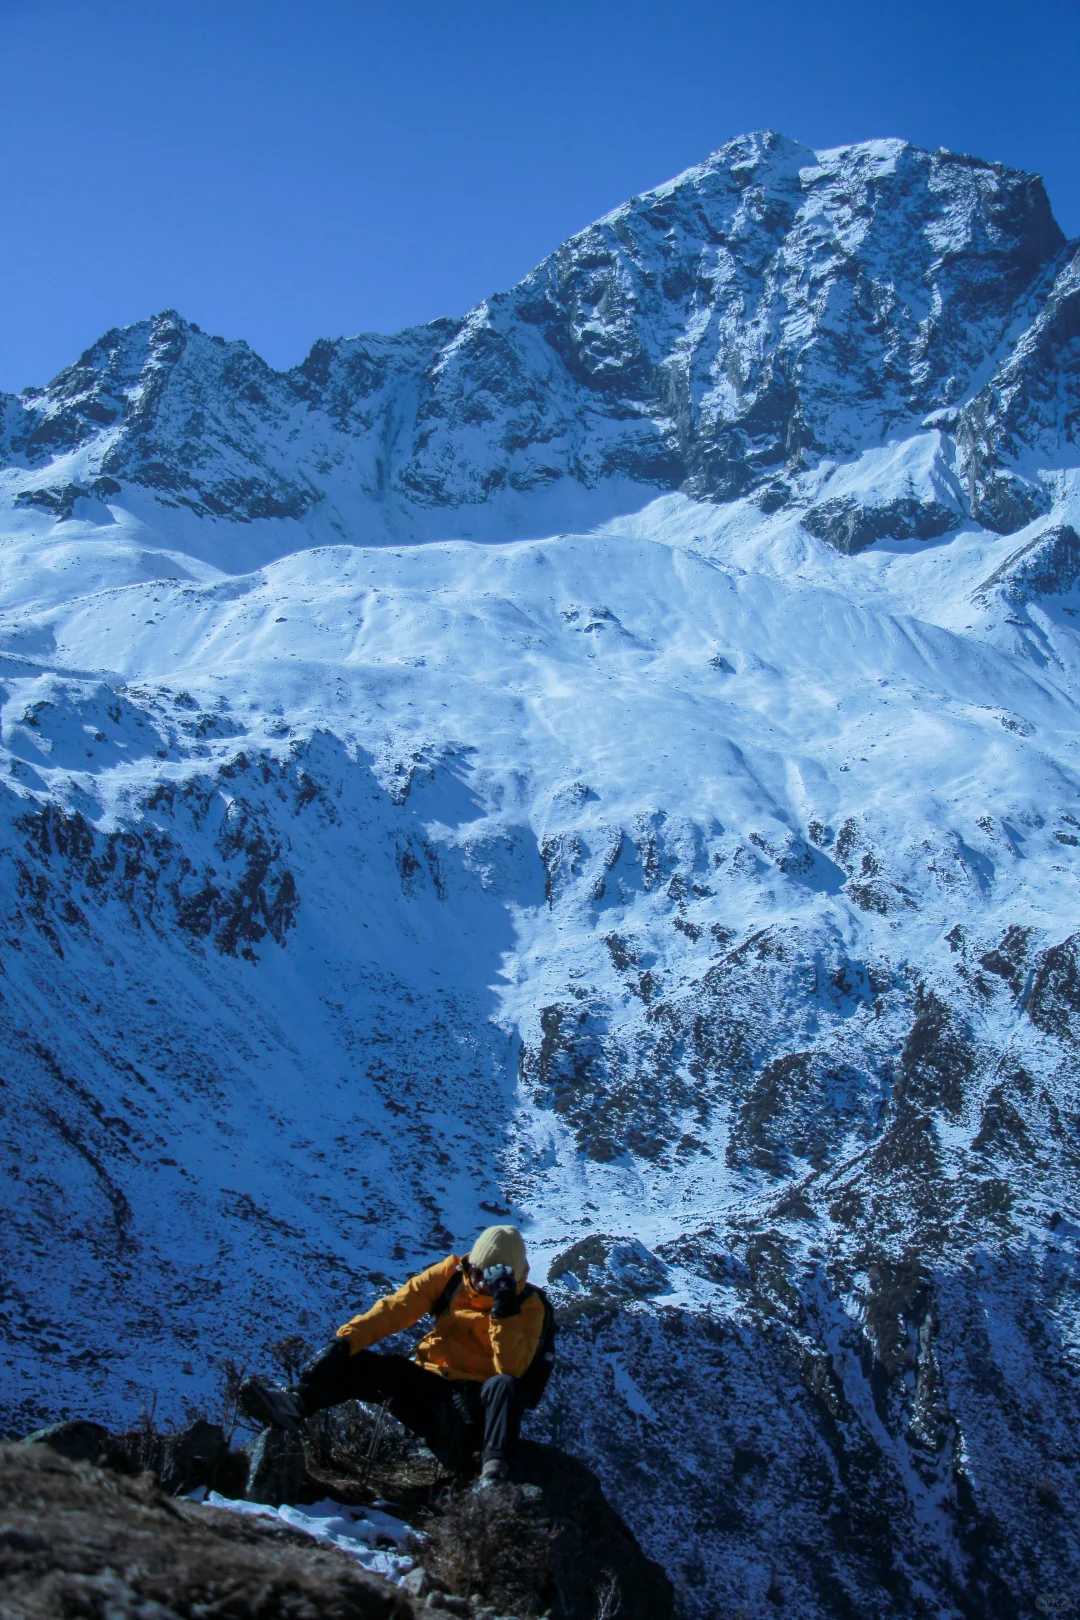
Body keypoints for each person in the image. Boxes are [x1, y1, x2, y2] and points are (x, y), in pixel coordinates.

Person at [239, 1224, 551, 1486]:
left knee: (503, 1386)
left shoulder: (528, 1307)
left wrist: (503, 1311)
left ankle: (493, 1474)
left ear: (508, 1279)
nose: (481, 1283)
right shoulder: (452, 1276)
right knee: (366, 1364)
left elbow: (511, 1368)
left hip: (476, 1407)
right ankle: (296, 1403)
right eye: (477, 1272)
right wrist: (344, 1342)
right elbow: (396, 1308)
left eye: (491, 1280)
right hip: (431, 1388)